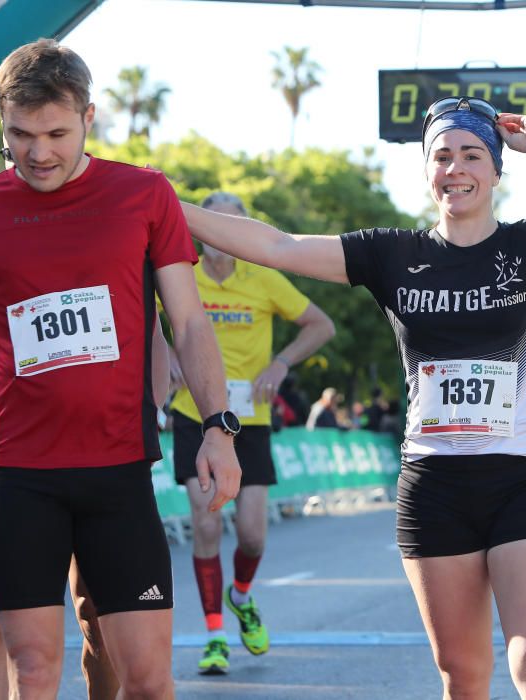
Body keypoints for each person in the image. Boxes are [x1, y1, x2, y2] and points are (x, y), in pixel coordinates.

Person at [180, 96, 526, 699]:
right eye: (442, 157)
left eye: (473, 155)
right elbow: (280, 246)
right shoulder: (392, 254)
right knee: (463, 679)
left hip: (524, 480)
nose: (457, 169)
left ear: (497, 170)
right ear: (426, 170)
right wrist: (163, 202)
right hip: (434, 488)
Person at [0, 38, 241, 700]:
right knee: (28, 668)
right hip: (17, 476)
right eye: (20, 134)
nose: (38, 152)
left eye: (56, 132)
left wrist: (218, 426)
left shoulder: (144, 195)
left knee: (147, 679)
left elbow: (191, 322)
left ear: (90, 116)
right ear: (2, 119)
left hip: (117, 473)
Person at [0, 304, 171, 699]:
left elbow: (154, 334)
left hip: (98, 458)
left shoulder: (107, 246)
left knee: (95, 616)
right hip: (3, 458)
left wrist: (145, 422)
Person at [167, 191, 334, 675]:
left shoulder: (263, 277)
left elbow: (319, 325)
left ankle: (240, 596)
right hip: (193, 413)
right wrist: (170, 357)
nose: (226, 235)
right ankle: (215, 634)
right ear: (200, 227)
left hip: (248, 420)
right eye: (216, 223)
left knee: (253, 537)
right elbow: (140, 313)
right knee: (205, 524)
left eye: (236, 225)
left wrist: (281, 363)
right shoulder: (182, 271)